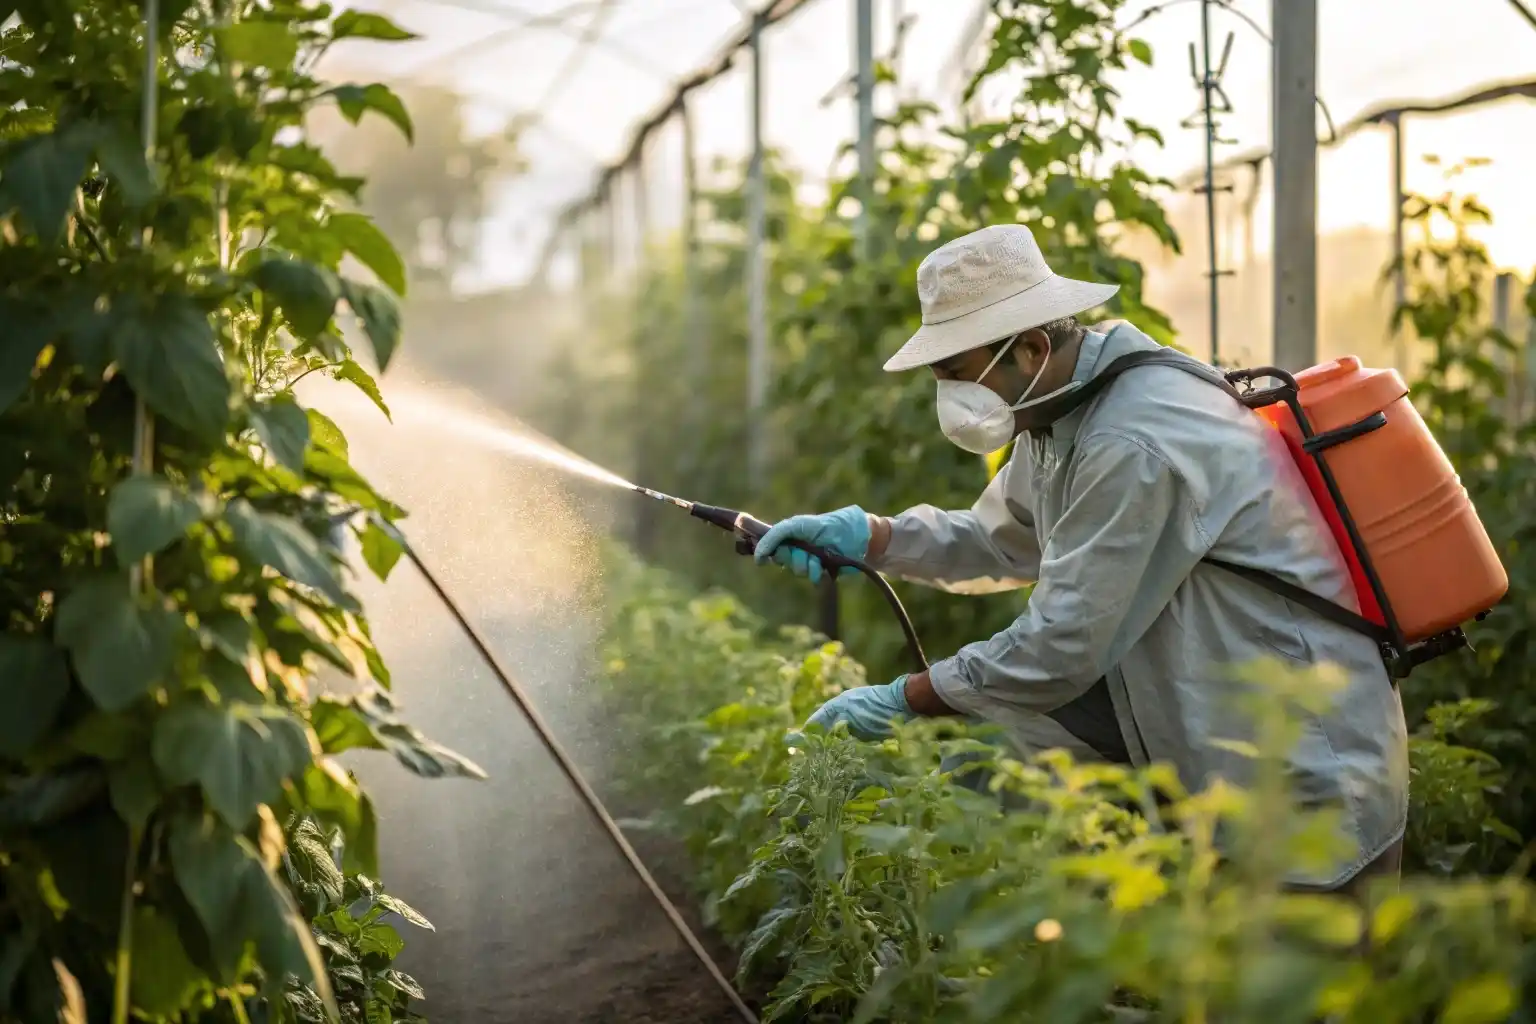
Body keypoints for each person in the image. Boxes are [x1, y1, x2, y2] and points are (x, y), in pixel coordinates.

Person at [755, 223, 1408, 896]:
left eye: (956, 373)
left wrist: (907, 698)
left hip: (1303, 781)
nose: (949, 396)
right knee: (985, 768)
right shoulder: (1061, 415)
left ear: (1032, 347)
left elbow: (1065, 642)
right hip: (1219, 741)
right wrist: (871, 537)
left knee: (1297, 995)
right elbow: (1000, 539)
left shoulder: (1134, 436)